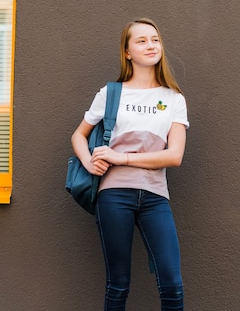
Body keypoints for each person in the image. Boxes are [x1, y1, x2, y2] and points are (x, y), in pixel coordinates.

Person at [71, 18, 188, 311]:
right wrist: (89, 162)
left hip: (155, 196)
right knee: (118, 284)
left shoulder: (173, 99)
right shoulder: (111, 93)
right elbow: (78, 135)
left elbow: (174, 156)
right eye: (141, 41)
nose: (151, 45)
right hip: (113, 195)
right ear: (127, 52)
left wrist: (120, 157)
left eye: (155, 39)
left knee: (172, 284)